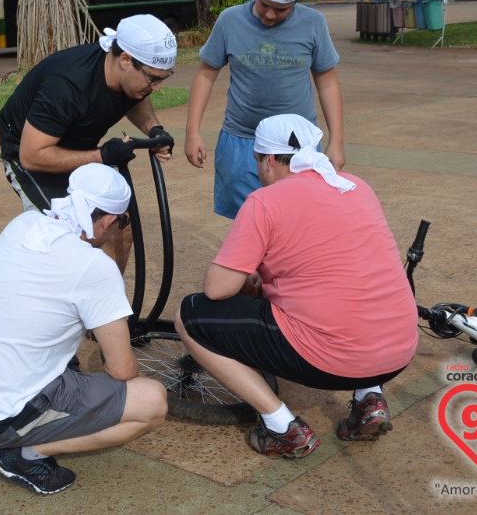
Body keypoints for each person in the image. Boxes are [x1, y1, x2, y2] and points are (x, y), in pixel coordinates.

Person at [174, 114, 418, 459]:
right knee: (359, 293)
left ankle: (282, 427)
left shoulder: (266, 200)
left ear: (269, 159)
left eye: (258, 160)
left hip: (328, 362)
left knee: (191, 313)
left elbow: (217, 289)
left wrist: (251, 280)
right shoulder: (356, 186)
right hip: (398, 353)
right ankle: (370, 399)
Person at [0, 163, 168, 495]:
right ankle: (25, 454)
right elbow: (121, 370)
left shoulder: (24, 223)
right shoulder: (96, 267)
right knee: (152, 401)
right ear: (107, 221)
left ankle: (29, 433)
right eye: (122, 222)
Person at [0, 13, 177, 271]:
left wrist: (154, 130)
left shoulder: (128, 77)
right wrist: (101, 156)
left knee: (118, 225)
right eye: (154, 78)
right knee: (67, 235)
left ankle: (105, 305)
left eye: (163, 78)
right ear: (126, 60)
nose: (157, 87)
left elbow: (136, 94)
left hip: (77, 147)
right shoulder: (68, 85)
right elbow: (32, 155)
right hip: (30, 153)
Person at [184, 0, 346, 220]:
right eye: (263, 4)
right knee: (247, 220)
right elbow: (205, 74)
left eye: (281, 9)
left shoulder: (313, 23)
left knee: (297, 221)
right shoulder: (230, 20)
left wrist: (336, 142)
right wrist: (192, 132)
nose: (269, 15)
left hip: (296, 146)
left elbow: (327, 83)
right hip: (241, 140)